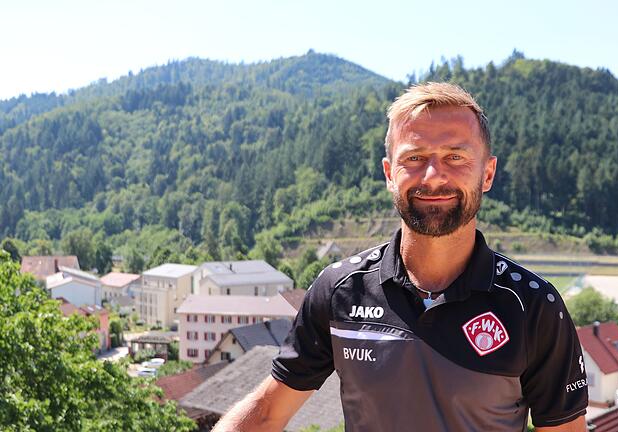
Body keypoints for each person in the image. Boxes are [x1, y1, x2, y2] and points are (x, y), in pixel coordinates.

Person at [213, 82, 588, 431]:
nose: (433, 175)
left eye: (455, 156)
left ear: (487, 173)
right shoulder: (339, 290)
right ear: (390, 173)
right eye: (415, 157)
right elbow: (265, 414)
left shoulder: (533, 305)